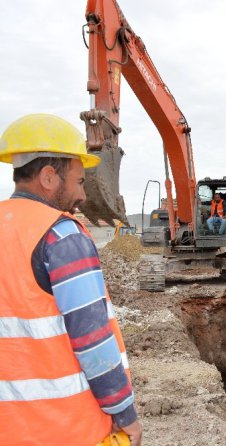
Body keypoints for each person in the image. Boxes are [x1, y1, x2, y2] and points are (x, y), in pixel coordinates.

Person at [0, 114, 142, 445]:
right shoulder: (60, 235)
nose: (82, 195)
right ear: (49, 177)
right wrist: (125, 414)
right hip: (64, 430)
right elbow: (92, 339)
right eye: (79, 182)